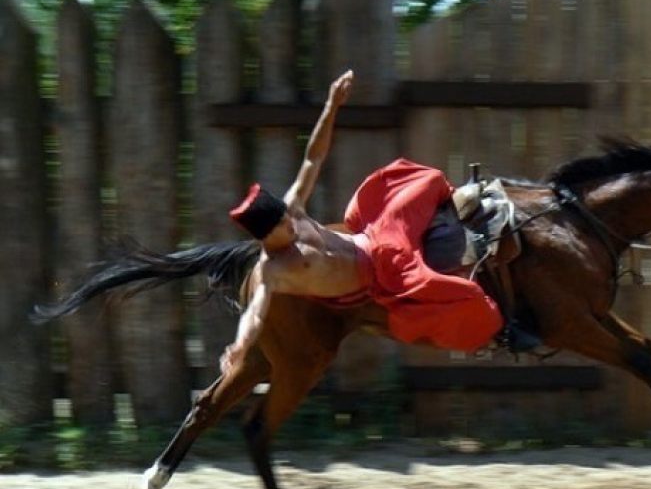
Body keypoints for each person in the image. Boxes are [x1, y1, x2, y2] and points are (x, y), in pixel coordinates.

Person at [221, 70, 537, 374]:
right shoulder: (272, 270)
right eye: (282, 226)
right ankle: (501, 331)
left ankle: (461, 213)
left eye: (286, 217)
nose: (290, 223)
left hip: (381, 236)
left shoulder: (292, 211)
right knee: (462, 293)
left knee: (426, 181)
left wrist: (332, 105)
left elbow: (312, 158)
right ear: (266, 236)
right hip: (387, 277)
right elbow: (255, 314)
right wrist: (240, 344)